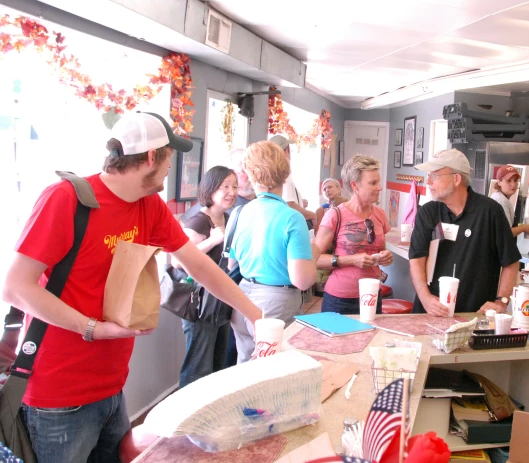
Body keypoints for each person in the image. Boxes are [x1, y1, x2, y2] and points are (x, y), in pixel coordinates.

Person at [1, 112, 264, 463]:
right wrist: (92, 328)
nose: (172, 164)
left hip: (111, 388)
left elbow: (197, 264)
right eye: (171, 155)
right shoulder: (66, 199)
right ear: (153, 156)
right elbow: (16, 287)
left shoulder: (148, 205)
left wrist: (255, 315)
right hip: (58, 396)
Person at [228, 141, 320, 363]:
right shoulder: (292, 218)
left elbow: (232, 265)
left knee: (244, 368)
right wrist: (314, 252)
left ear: (250, 175)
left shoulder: (239, 212)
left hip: (241, 299)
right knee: (270, 373)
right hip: (274, 303)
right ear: (286, 172)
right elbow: (303, 280)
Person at [408, 149, 520, 316]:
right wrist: (425, 297)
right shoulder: (428, 212)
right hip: (430, 311)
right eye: (428, 176)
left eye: (435, 176)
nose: (428, 182)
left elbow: (510, 262)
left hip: (474, 315)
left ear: (456, 179)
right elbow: (417, 258)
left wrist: (502, 301)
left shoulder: (490, 212)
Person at [173, 166, 238, 388]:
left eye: (235, 186)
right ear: (210, 190)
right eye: (225, 187)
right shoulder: (200, 220)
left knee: (218, 368)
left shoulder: (228, 219)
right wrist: (211, 241)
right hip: (200, 304)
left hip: (221, 302)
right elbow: (178, 260)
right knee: (197, 369)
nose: (232, 192)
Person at [315, 155, 393, 315]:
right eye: (373, 183)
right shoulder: (335, 215)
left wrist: (385, 256)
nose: (380, 187)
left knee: (371, 340)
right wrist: (351, 260)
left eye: (379, 182)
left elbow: (380, 249)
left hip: (371, 296)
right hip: (339, 298)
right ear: (354, 186)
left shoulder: (380, 215)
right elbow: (314, 259)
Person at [180, 147, 255, 222]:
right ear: (231, 174)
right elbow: (183, 225)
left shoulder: (263, 198)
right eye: (245, 171)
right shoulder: (219, 201)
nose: (253, 174)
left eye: (254, 169)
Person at [268, 135, 316, 229]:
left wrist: (299, 202)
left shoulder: (270, 172)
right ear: (287, 150)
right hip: (292, 225)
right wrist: (312, 215)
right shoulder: (283, 174)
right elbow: (289, 205)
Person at [490, 164, 529, 237]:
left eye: (515, 180)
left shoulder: (499, 197)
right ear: (499, 182)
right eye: (509, 181)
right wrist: (523, 228)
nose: (513, 184)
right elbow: (506, 233)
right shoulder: (501, 201)